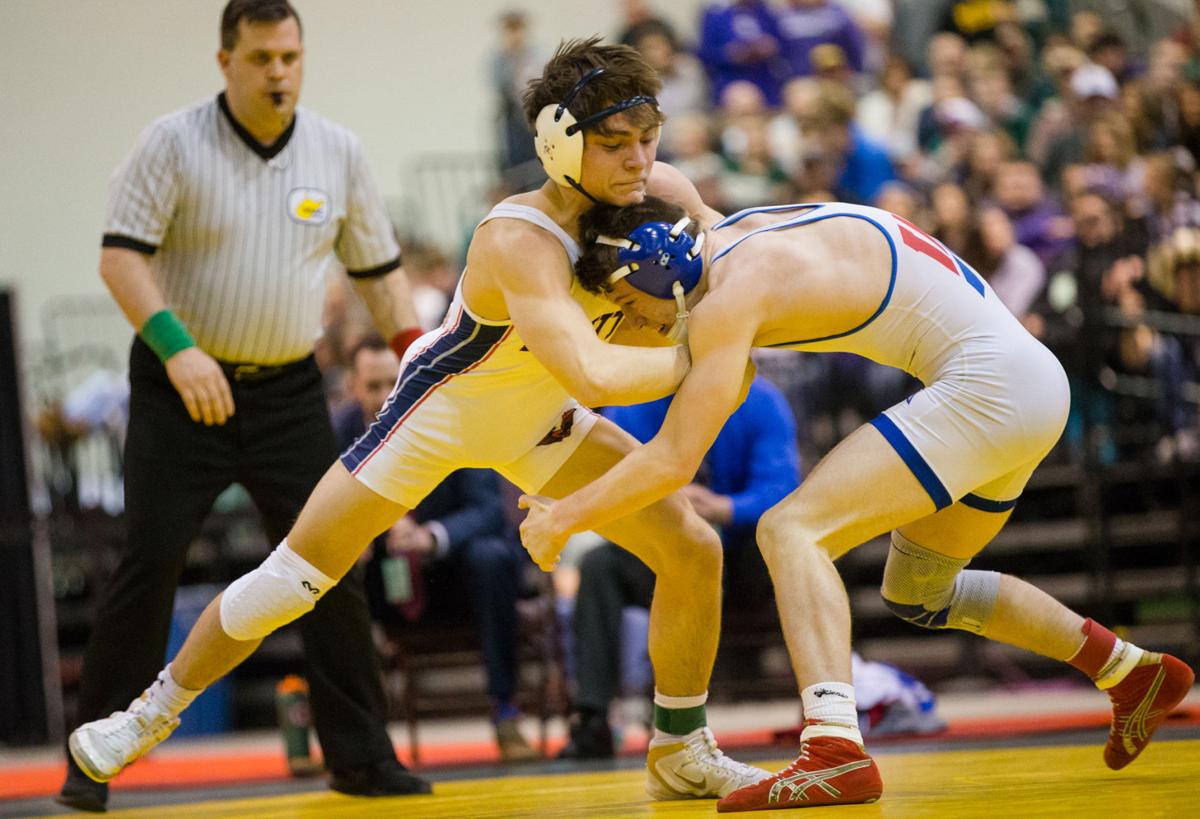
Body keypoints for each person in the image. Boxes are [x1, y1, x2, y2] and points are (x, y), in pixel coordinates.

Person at [67, 37, 770, 803]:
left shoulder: (659, 190)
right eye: (615, 144)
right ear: (558, 143)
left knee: (692, 546)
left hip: (536, 418)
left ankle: (680, 745)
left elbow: (745, 259)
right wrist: (704, 359)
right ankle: (147, 714)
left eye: (647, 137)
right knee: (292, 579)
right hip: (441, 409)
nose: (639, 160)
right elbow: (592, 374)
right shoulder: (519, 238)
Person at [519, 196, 1195, 811]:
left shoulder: (726, 301)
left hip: (989, 386)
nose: (631, 322)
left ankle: (835, 747)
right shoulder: (717, 227)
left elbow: (673, 459)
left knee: (791, 528)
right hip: (1028, 381)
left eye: (630, 306)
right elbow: (655, 182)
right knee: (921, 588)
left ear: (660, 278)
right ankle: (1127, 669)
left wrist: (563, 515)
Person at [58, 1, 432, 811]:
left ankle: (361, 758)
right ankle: (91, 758)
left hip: (289, 391)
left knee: (329, 564)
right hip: (178, 385)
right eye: (261, 57)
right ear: (224, 59)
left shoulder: (338, 151)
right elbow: (120, 260)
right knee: (149, 562)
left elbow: (377, 269)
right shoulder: (171, 142)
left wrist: (419, 354)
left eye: (290, 57)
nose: (278, 73)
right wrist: (178, 347)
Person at [560, 376, 801, 758]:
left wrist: (724, 508)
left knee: (791, 549)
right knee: (599, 565)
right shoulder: (633, 402)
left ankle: (822, 709)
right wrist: (668, 504)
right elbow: (608, 486)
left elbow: (783, 488)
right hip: (665, 552)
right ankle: (592, 719)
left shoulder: (762, 400)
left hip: (742, 558)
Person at [332, 336, 537, 761]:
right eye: (374, 386)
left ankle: (505, 711)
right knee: (327, 568)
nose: (387, 395)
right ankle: (350, 730)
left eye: (395, 381)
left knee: (492, 556)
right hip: (379, 579)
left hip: (450, 574)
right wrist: (360, 535)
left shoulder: (454, 417)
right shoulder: (335, 432)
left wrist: (430, 537)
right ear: (353, 385)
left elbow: (486, 511)